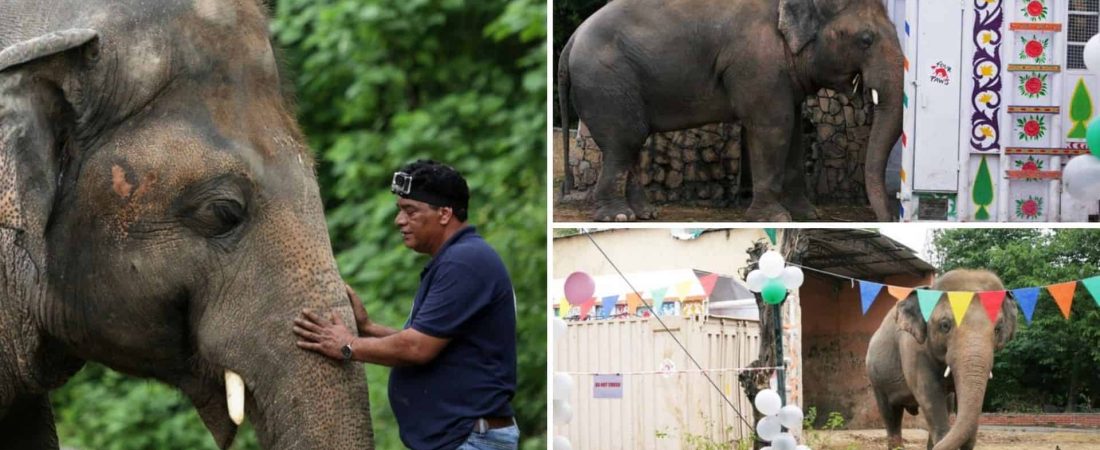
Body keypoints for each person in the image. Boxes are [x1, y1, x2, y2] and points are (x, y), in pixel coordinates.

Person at [292, 160, 519, 450]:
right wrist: (368, 328)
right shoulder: (456, 259)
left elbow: (416, 348)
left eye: (410, 211)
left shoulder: (464, 262)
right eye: (400, 210)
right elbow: (436, 345)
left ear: (444, 213)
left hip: (469, 440)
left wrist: (347, 345)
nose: (399, 220)